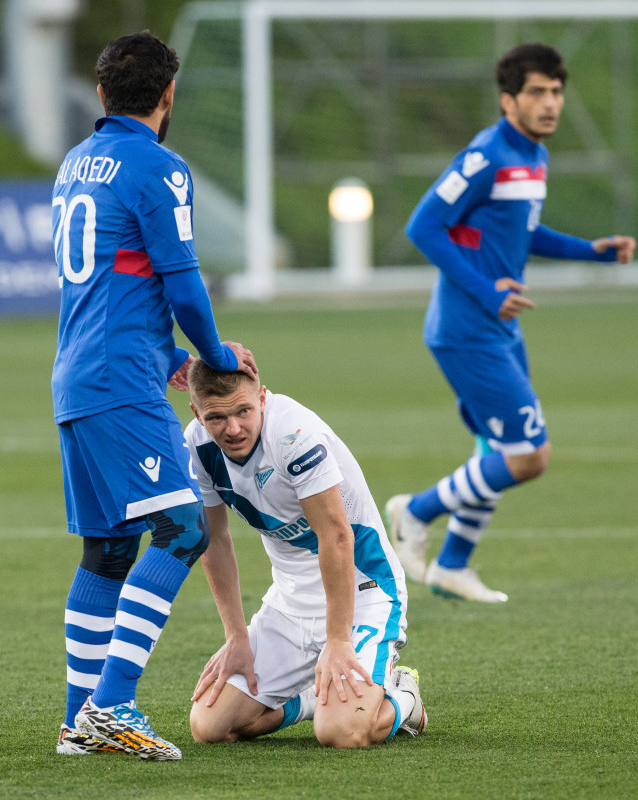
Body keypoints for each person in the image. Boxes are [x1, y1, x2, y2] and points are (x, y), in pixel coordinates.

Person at [52, 32, 257, 760]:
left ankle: (80, 725)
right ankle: (112, 705)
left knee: (108, 551)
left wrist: (162, 352)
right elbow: (182, 279)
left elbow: (106, 282)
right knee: (181, 529)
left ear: (102, 96)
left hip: (80, 373)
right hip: (117, 381)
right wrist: (213, 354)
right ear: (168, 98)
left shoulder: (76, 165)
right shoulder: (159, 168)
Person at [386, 43, 635, 603]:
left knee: (497, 448)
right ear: (508, 100)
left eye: (556, 92)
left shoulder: (536, 157)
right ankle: (413, 512)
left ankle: (453, 565)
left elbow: (525, 234)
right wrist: (486, 289)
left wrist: (592, 252)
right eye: (537, 93)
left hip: (498, 326)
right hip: (465, 328)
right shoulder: (485, 156)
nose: (551, 103)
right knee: (528, 456)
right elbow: (423, 226)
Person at [184, 359, 427, 749]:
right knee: (211, 726)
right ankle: (314, 701)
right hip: (288, 605)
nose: (232, 428)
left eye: (244, 411)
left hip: (363, 594)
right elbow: (213, 538)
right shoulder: (196, 446)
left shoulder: (293, 435)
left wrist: (337, 639)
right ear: (197, 412)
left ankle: (402, 698)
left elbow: (336, 537)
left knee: (341, 733)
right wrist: (236, 636)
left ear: (262, 398)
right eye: (216, 417)